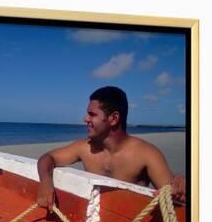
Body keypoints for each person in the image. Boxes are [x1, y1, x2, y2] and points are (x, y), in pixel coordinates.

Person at [37, 86, 186, 212]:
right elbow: (47, 158)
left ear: (114, 119)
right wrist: (45, 182)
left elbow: (173, 195)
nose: (85, 119)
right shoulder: (84, 147)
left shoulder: (147, 154)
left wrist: (181, 186)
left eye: (92, 114)